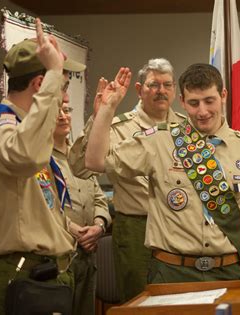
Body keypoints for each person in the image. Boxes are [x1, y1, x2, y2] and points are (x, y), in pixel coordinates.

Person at [84, 64, 240, 284]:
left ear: (223, 96)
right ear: (182, 102)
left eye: (209, 101)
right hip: (171, 272)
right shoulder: (160, 140)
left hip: (228, 271)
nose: (202, 112)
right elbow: (95, 161)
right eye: (193, 103)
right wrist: (108, 108)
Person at [0, 18, 87, 313]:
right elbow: (26, 158)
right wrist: (53, 74)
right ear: (40, 84)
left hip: (49, 275)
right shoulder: (2, 130)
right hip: (26, 277)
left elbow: (39, 203)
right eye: (60, 87)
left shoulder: (28, 132)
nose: (63, 97)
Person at [68, 58, 185, 301]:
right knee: (138, 301)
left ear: (174, 89)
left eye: (167, 85)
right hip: (136, 229)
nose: (161, 91)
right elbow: (80, 168)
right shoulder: (117, 126)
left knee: (180, 300)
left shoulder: (187, 129)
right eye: (153, 85)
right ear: (139, 90)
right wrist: (100, 116)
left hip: (180, 226)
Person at [53, 102, 111, 315]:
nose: (63, 116)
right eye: (56, 111)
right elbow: (41, 206)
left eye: (67, 110)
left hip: (88, 253)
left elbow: (99, 198)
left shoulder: (80, 157)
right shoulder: (40, 160)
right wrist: (74, 230)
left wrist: (99, 226)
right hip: (60, 256)